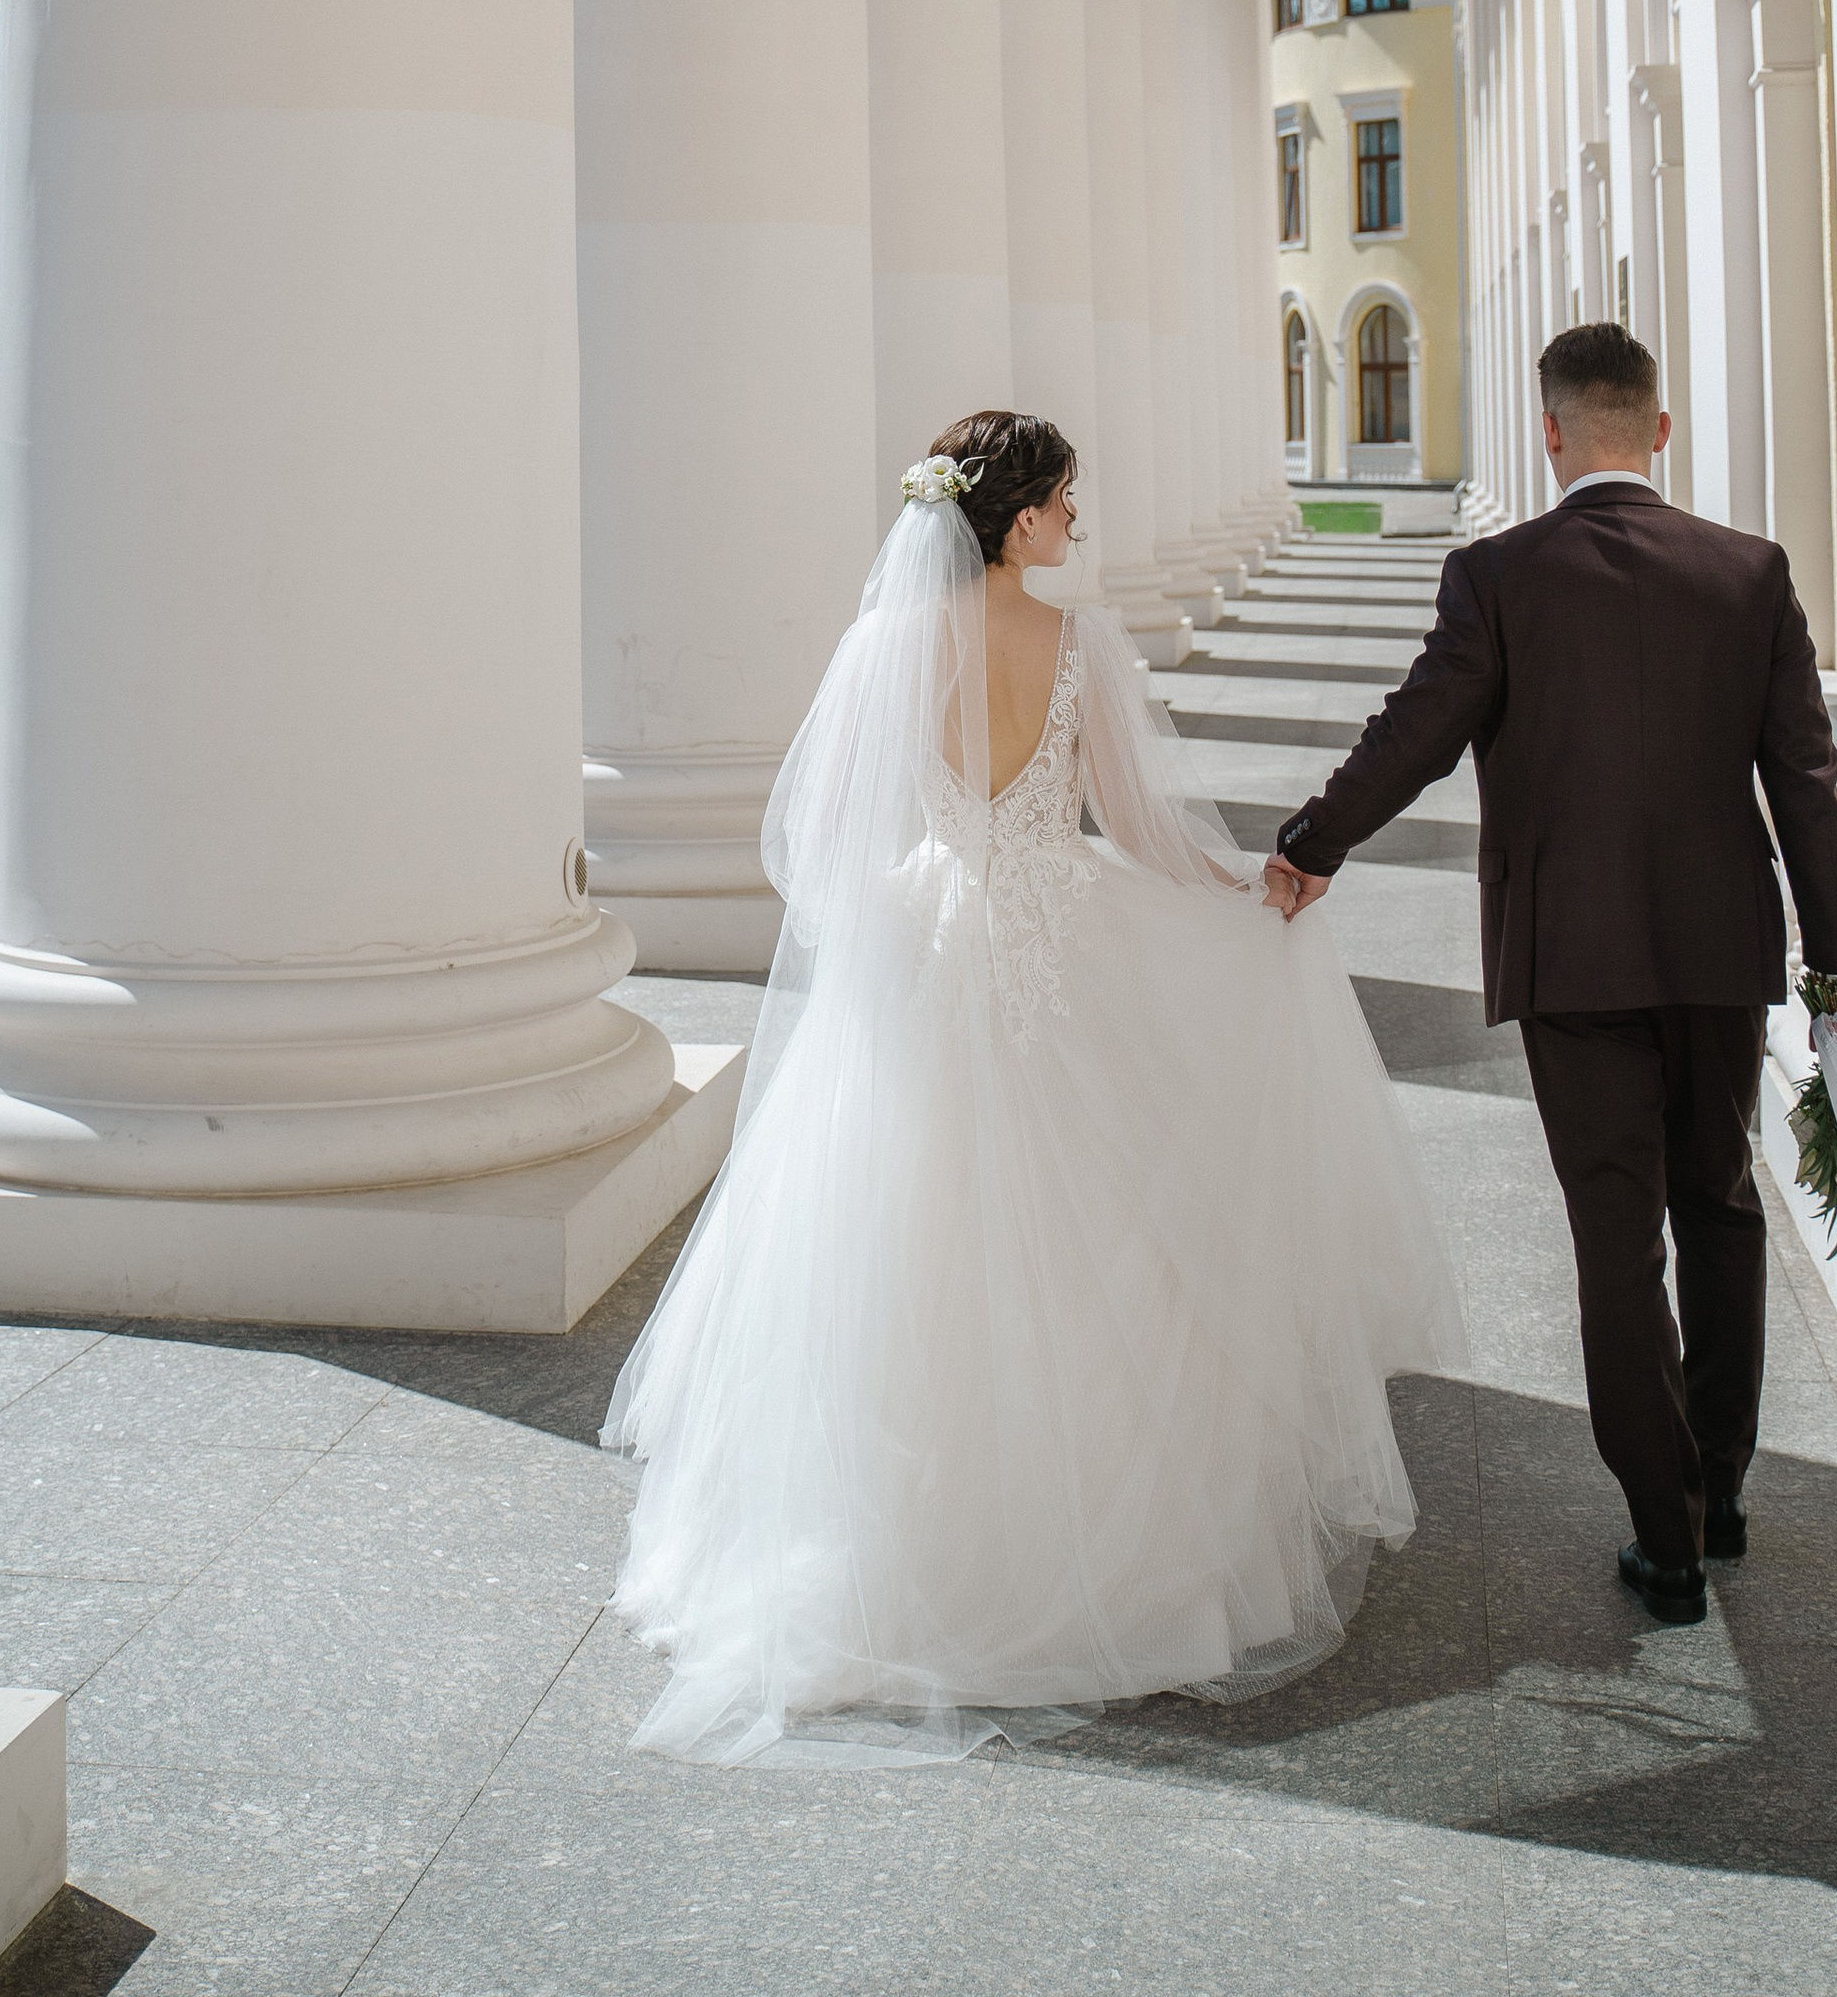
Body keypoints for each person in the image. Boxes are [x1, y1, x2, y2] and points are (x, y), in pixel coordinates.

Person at [603, 407, 1463, 1762]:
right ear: (1012, 517)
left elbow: (821, 848)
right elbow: (1143, 830)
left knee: (894, 1256)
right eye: (1065, 499)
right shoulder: (1079, 643)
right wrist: (1257, 891)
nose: (1080, 521)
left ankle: (896, 1565)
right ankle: (1109, 1571)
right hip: (1066, 948)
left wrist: (901, 917)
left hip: (931, 953)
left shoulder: (880, 646)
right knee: (1109, 1240)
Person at [1264, 322, 1837, 1630]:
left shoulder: (1499, 574)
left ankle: (1668, 1539)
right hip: (1720, 950)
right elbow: (1804, 781)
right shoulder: (1751, 572)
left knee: (1615, 1238)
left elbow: (1418, 728)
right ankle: (1723, 1486)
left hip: (1571, 953)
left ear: (1549, 434)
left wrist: (1316, 839)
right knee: (1719, 1206)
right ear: (1660, 427)